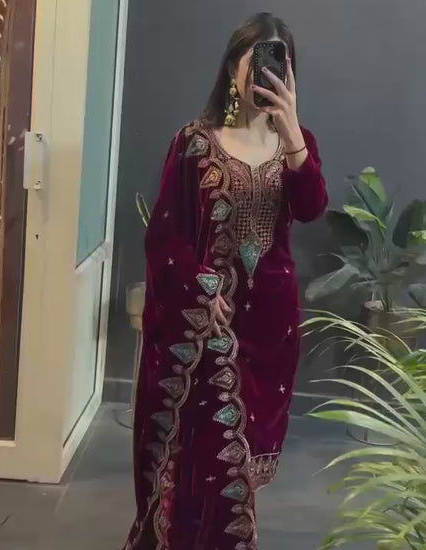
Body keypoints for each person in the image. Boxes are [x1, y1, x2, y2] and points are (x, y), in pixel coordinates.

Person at [124, 12, 328, 550]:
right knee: (203, 457)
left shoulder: (296, 144)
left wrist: (291, 133)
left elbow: (311, 207)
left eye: (279, 63)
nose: (266, 73)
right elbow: (165, 238)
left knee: (240, 465)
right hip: (207, 326)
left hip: (271, 327)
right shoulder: (195, 142)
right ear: (234, 68)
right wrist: (200, 289)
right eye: (256, 60)